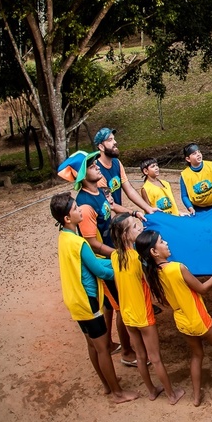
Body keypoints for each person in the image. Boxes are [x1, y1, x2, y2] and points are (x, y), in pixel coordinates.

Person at [136, 230, 212, 407]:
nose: (166, 243)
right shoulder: (178, 268)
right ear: (154, 251)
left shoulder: (152, 274)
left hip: (181, 320)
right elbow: (202, 289)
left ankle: (196, 397)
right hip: (198, 318)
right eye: (161, 241)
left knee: (197, 355)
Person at [50, 193, 138, 404]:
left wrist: (114, 261)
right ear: (67, 219)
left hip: (75, 300)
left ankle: (107, 385)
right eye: (75, 209)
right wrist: (121, 267)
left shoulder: (64, 237)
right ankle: (118, 393)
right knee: (102, 348)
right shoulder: (79, 243)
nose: (80, 210)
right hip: (88, 300)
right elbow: (100, 270)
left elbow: (92, 262)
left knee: (92, 344)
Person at [58, 150, 134, 364]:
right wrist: (120, 254)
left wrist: (131, 214)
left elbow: (109, 212)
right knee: (121, 306)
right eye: (91, 166)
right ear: (82, 175)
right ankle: (127, 352)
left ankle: (110, 344)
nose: (97, 167)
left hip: (113, 253)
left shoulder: (98, 190)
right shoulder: (84, 204)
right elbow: (92, 243)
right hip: (107, 259)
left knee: (110, 305)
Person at [108, 212, 183, 405]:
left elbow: (118, 284)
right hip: (143, 314)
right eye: (134, 227)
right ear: (126, 235)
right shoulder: (138, 259)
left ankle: (152, 390)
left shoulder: (115, 256)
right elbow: (151, 283)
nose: (139, 227)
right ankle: (171, 395)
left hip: (127, 314)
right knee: (155, 358)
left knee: (140, 356)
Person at [92, 128, 156, 216]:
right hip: (107, 219)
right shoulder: (97, 171)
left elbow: (129, 190)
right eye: (110, 140)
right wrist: (134, 213)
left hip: (118, 216)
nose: (115, 142)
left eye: (114, 139)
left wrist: (148, 208)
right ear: (101, 147)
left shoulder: (116, 162)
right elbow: (110, 205)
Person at [180, 143, 212, 214]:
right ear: (188, 159)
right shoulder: (185, 175)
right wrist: (190, 207)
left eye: (199, 152)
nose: (198, 154)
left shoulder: (210, 166)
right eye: (194, 153)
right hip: (198, 209)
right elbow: (184, 196)